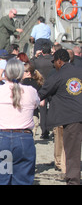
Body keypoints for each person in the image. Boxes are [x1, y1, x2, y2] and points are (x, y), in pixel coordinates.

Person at [0, 59, 40, 185]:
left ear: (6, 73)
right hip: (23, 137)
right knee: (23, 180)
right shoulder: (31, 91)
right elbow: (36, 103)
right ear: (22, 74)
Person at [38, 49, 82, 185]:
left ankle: (73, 181)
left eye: (54, 63)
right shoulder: (79, 71)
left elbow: (43, 93)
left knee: (72, 152)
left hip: (71, 118)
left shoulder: (58, 75)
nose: (54, 66)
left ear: (59, 61)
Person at [31, 42, 54, 139]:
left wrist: (34, 56)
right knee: (53, 108)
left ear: (42, 51)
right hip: (53, 86)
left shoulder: (38, 61)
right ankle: (52, 127)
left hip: (42, 86)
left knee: (43, 109)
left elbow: (30, 65)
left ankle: (44, 131)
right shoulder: (53, 60)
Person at [22, 61, 44, 137]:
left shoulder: (21, 83)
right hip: (34, 114)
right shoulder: (38, 83)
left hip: (22, 115)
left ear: (28, 73)